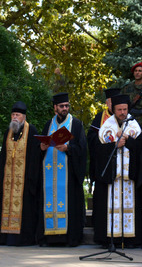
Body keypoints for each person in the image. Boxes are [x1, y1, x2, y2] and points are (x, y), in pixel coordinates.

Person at [93, 94, 142, 247]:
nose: (123, 112)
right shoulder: (106, 127)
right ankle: (111, 239)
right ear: (113, 110)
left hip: (129, 178)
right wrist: (115, 144)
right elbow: (99, 152)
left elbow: (141, 149)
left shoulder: (134, 125)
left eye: (125, 109)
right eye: (119, 109)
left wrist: (129, 141)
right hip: (112, 178)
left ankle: (129, 239)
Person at [0, 101, 44, 246]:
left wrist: (32, 179)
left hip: (25, 181)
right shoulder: (8, 132)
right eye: (13, 115)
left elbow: (36, 156)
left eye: (18, 115)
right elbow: (3, 156)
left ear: (24, 117)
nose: (15, 118)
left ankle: (24, 239)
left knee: (25, 210)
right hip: (8, 180)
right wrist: (0, 178)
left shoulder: (32, 131)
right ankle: (5, 237)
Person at [40, 92, 86, 246]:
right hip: (49, 174)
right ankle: (50, 238)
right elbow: (40, 147)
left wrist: (68, 148)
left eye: (67, 106)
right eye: (61, 106)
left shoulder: (76, 124)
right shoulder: (48, 124)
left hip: (68, 176)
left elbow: (82, 149)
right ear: (55, 108)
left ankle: (70, 238)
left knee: (69, 205)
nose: (65, 108)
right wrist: (41, 147)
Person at [88, 88, 121, 247]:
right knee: (102, 203)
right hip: (103, 166)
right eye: (110, 101)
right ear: (107, 102)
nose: (112, 104)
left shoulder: (124, 117)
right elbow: (91, 139)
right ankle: (102, 237)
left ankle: (120, 237)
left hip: (121, 168)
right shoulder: (99, 117)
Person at [118, 62, 142, 131]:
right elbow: (120, 104)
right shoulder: (126, 88)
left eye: (140, 71)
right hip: (129, 121)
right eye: (135, 71)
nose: (137, 73)